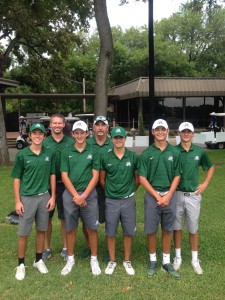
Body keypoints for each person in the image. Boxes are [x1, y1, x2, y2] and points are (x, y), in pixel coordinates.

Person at [11, 123, 56, 281]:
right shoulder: (22, 155)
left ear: (44, 136)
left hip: (44, 197)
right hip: (28, 198)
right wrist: (18, 201)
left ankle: (38, 260)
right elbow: (16, 179)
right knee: (23, 232)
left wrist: (53, 196)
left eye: (40, 133)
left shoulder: (48, 153)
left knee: (41, 230)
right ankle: (21, 264)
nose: (37, 136)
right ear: (29, 136)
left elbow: (52, 175)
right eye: (34, 133)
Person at [139, 119, 181, 279]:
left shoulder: (174, 152)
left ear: (168, 131)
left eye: (163, 129)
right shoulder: (147, 153)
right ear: (153, 132)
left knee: (167, 229)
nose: (160, 132)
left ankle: (165, 261)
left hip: (170, 195)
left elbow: (177, 175)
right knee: (151, 230)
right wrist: (157, 196)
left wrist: (168, 195)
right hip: (153, 197)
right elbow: (142, 178)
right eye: (157, 129)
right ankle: (152, 260)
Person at [60, 120, 101, 276]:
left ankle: (94, 259)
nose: (79, 135)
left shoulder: (93, 151)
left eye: (81, 132)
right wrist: (76, 196)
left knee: (92, 228)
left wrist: (83, 195)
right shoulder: (66, 151)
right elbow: (64, 176)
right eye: (76, 133)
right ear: (72, 134)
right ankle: (70, 259)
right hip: (70, 194)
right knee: (71, 228)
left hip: (88, 194)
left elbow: (95, 176)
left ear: (87, 133)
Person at [173, 122, 215, 274]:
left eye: (188, 132)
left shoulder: (199, 151)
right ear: (179, 133)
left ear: (192, 134)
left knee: (193, 228)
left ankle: (194, 259)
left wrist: (205, 183)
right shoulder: (173, 151)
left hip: (193, 196)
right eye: (183, 131)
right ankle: (177, 257)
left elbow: (210, 167)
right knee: (176, 228)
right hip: (176, 195)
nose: (185, 134)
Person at [100, 126, 139, 276]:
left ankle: (127, 260)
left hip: (128, 200)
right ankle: (112, 260)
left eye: (120, 137)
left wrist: (129, 191)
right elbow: (102, 180)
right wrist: (112, 192)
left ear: (125, 139)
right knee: (111, 231)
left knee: (128, 231)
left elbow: (137, 179)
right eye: (115, 137)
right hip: (111, 201)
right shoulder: (106, 157)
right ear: (112, 139)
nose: (118, 140)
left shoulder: (133, 157)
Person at [80, 115, 113, 259]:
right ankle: (89, 246)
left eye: (103, 125)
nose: (100, 128)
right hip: (89, 188)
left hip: (107, 188)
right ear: (93, 128)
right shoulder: (86, 143)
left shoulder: (113, 144)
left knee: (109, 219)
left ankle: (107, 249)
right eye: (97, 125)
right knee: (86, 218)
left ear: (107, 127)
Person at [42, 114, 74, 262]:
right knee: (46, 217)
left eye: (59, 123)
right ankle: (46, 249)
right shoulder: (44, 142)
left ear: (64, 124)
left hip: (65, 184)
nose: (57, 125)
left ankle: (66, 248)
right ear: (50, 125)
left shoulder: (71, 141)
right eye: (54, 123)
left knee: (64, 217)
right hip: (46, 184)